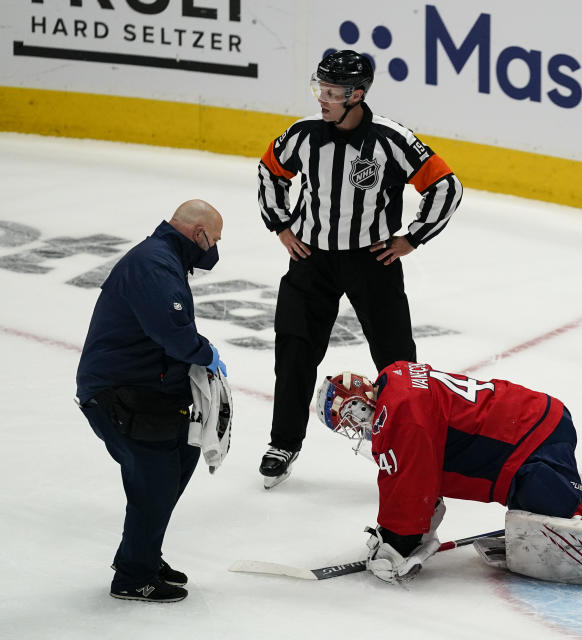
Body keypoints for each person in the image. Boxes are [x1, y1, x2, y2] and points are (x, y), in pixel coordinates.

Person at [317, 363, 582, 590]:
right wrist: (414, 529)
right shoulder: (399, 380)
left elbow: (408, 484)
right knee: (559, 519)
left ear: (360, 400)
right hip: (533, 422)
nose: (355, 428)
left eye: (349, 418)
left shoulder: (399, 413)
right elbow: (421, 475)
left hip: (528, 447)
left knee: (565, 533)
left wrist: (396, 542)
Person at [256, 50, 464, 489]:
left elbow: (446, 186)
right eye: (321, 90)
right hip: (310, 260)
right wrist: (281, 225)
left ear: (357, 95)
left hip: (372, 263)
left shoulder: (391, 138)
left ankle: (410, 444)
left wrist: (411, 238)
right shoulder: (304, 133)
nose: (323, 100)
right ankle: (283, 442)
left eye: (332, 93)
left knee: (397, 361)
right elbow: (271, 171)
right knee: (294, 352)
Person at [75, 199, 228, 603]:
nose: (213, 250)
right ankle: (133, 576)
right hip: (118, 393)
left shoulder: (163, 259)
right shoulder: (154, 264)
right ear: (198, 235)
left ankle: (141, 554)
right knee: (155, 479)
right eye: (214, 240)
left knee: (182, 455)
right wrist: (204, 352)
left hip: (145, 390)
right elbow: (173, 333)